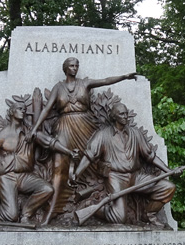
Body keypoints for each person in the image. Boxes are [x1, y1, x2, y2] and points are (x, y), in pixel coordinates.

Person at [29, 57, 137, 224]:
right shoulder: (58, 88)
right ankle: (51, 212)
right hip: (65, 127)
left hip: (85, 126)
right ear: (65, 68)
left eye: (76, 66)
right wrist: (34, 129)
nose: (75, 68)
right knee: (59, 168)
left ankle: (103, 203)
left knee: (97, 162)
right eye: (71, 66)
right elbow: (46, 110)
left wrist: (124, 76)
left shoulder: (85, 83)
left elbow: (106, 81)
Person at [71, 102, 175, 225]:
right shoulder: (103, 135)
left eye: (126, 113)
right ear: (114, 117)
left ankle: (148, 214)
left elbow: (150, 156)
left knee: (168, 187)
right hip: (116, 178)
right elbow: (89, 156)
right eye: (122, 114)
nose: (125, 116)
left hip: (136, 177)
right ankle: (92, 206)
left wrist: (168, 171)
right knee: (119, 219)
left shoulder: (135, 134)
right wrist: (76, 174)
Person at [0, 101, 75, 223]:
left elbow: (50, 142)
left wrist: (69, 152)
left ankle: (26, 214)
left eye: (24, 108)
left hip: (24, 176)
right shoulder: (0, 137)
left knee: (47, 189)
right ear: (12, 112)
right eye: (19, 108)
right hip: (7, 177)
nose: (23, 111)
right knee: (11, 216)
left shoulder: (30, 133)